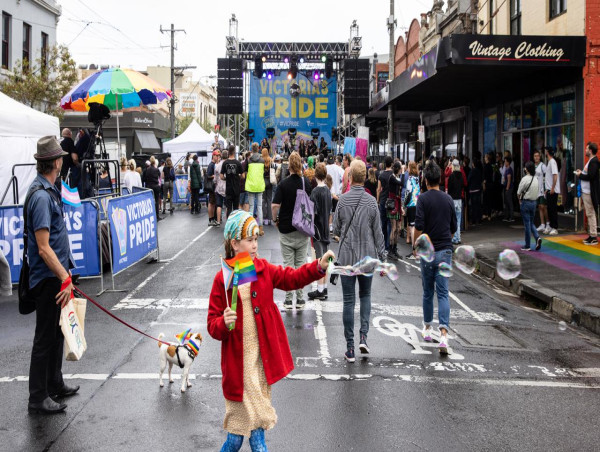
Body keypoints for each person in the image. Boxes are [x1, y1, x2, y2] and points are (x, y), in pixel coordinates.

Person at [207, 210, 334, 452]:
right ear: (234, 243)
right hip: (239, 371)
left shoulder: (263, 269)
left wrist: (317, 267)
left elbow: (292, 278)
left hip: (259, 366)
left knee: (245, 439)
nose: (255, 245)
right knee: (246, 438)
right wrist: (223, 321)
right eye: (249, 240)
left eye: (256, 239)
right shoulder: (221, 280)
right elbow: (212, 325)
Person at [26, 136, 78, 415]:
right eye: (61, 157)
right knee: (44, 337)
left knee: (58, 332)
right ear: (56, 162)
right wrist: (64, 277)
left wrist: (66, 272)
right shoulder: (41, 197)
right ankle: (37, 396)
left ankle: (54, 384)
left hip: (55, 275)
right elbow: (44, 249)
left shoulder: (49, 189)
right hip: (47, 278)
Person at [333, 159, 385, 362]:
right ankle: (364, 336)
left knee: (348, 301)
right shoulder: (372, 202)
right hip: (368, 257)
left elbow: (336, 230)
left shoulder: (343, 201)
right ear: (364, 179)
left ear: (350, 177)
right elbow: (378, 233)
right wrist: (383, 257)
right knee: (365, 296)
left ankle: (350, 348)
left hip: (346, 258)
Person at [414, 160, 457, 354]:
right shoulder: (448, 199)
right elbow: (454, 227)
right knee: (443, 292)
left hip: (428, 252)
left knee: (427, 292)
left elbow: (419, 226)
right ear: (439, 178)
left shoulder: (422, 199)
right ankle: (444, 337)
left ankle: (427, 329)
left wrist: (416, 245)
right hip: (446, 250)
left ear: (425, 179)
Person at [271, 152, 312, 310]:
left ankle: (288, 300)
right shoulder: (305, 182)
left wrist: (275, 220)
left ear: (289, 166)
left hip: (286, 228)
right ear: (300, 165)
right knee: (300, 265)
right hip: (302, 228)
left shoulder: (283, 184)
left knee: (288, 266)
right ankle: (300, 299)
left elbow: (275, 205)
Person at [308, 163, 332, 301]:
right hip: (326, 230)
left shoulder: (315, 192)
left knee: (319, 260)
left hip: (317, 230)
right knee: (327, 260)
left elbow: (313, 213)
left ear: (316, 175)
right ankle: (325, 287)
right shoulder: (328, 191)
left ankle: (320, 289)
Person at [576, 142, 599, 245]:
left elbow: (591, 176)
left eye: (586, 149)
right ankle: (591, 235)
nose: (585, 150)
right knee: (589, 214)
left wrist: (580, 175)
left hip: (589, 192)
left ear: (590, 150)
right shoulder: (591, 161)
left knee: (591, 214)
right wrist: (581, 172)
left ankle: (594, 237)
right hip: (586, 192)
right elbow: (588, 174)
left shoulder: (594, 161)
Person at [518, 161, 543, 252]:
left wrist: (520, 200)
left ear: (527, 169)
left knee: (527, 225)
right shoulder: (536, 179)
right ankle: (537, 237)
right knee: (531, 222)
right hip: (534, 203)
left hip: (526, 203)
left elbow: (518, 192)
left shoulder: (524, 179)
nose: (524, 168)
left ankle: (527, 245)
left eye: (525, 167)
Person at [245, 143, 266, 236]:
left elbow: (245, 172)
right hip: (259, 185)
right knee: (259, 207)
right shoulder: (262, 160)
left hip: (250, 185)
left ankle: (250, 228)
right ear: (258, 149)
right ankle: (260, 229)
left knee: (251, 206)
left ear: (252, 150)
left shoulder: (249, 160)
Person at [386, 162, 404, 259]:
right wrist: (404, 173)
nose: (401, 170)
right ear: (397, 168)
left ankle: (395, 249)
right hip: (393, 204)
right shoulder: (392, 177)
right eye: (400, 168)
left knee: (397, 228)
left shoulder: (396, 177)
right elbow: (401, 183)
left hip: (397, 203)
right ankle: (390, 250)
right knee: (393, 228)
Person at [404, 161, 421, 259]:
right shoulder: (417, 178)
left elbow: (408, 192)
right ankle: (416, 249)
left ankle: (414, 250)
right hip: (417, 203)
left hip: (411, 204)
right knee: (415, 225)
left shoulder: (410, 179)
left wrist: (404, 204)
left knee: (411, 227)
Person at [222, 145, 245, 217]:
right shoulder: (238, 163)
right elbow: (243, 176)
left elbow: (221, 176)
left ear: (228, 152)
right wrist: (238, 176)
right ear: (234, 152)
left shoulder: (225, 163)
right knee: (236, 208)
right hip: (236, 189)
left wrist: (226, 178)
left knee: (228, 208)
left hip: (228, 188)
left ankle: (228, 224)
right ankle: (235, 225)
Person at [377, 156, 394, 253]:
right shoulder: (393, 175)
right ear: (391, 164)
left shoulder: (381, 175)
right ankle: (388, 244)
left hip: (383, 200)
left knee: (382, 222)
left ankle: (383, 243)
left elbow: (379, 189)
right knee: (390, 223)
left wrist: (378, 201)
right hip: (391, 200)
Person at [544, 146, 560, 235]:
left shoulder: (552, 162)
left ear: (547, 152)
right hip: (550, 190)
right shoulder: (550, 162)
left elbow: (555, 175)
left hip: (553, 190)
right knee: (549, 208)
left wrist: (553, 188)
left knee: (553, 209)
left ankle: (555, 227)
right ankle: (550, 225)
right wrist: (547, 189)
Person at [533, 150, 548, 232]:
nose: (536, 157)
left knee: (543, 206)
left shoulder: (543, 166)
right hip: (536, 190)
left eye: (537, 156)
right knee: (539, 207)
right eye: (535, 156)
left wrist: (546, 188)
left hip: (542, 189)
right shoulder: (532, 166)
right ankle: (542, 224)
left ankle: (548, 224)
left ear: (540, 157)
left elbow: (547, 177)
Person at [142, 156, 162, 221]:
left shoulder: (147, 170)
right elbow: (159, 177)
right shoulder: (156, 170)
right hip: (156, 186)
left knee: (150, 201)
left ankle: (150, 215)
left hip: (149, 187)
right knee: (156, 201)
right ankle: (157, 216)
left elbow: (144, 179)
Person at [214, 150, 228, 227]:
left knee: (219, 205)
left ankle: (218, 221)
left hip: (219, 186)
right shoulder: (229, 164)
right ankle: (227, 221)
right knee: (227, 206)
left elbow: (215, 178)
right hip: (227, 186)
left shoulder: (218, 165)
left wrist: (215, 182)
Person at [207, 150, 221, 226]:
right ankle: (211, 219)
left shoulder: (213, 164)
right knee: (211, 203)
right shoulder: (211, 165)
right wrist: (215, 176)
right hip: (211, 186)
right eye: (217, 156)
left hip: (214, 187)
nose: (218, 157)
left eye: (218, 156)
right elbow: (208, 175)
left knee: (213, 203)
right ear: (213, 156)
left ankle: (212, 218)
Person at [468, 158, 483, 225]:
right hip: (478, 189)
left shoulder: (472, 171)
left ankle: (473, 220)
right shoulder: (479, 171)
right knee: (478, 205)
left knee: (473, 206)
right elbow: (481, 179)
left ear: (473, 164)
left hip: (473, 190)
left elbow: (469, 179)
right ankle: (479, 220)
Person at [262, 148, 275, 226]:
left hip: (263, 181)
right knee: (269, 200)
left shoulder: (261, 160)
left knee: (263, 200)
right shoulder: (270, 160)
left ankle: (263, 218)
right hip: (269, 181)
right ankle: (270, 219)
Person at [502, 156, 514, 223]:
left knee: (509, 202)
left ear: (508, 162)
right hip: (506, 187)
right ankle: (507, 216)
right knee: (506, 202)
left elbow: (509, 179)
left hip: (508, 188)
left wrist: (507, 187)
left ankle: (511, 217)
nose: (504, 162)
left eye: (505, 161)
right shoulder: (506, 169)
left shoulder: (509, 169)